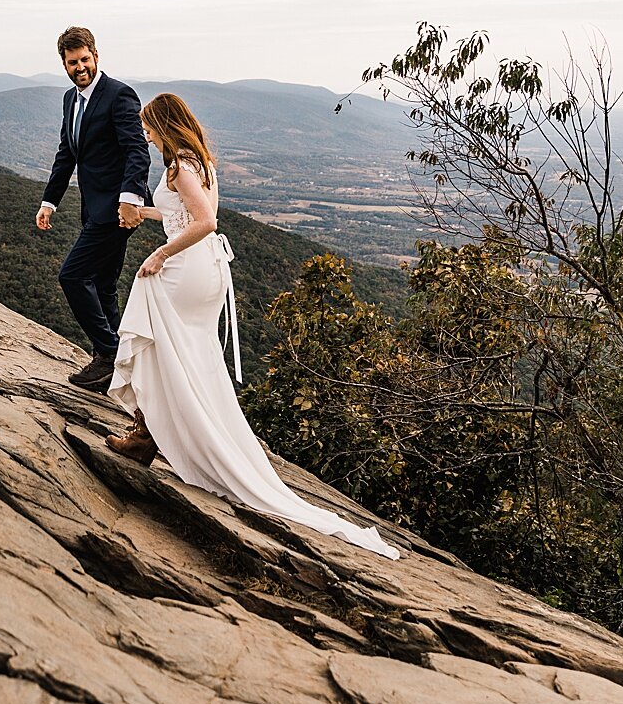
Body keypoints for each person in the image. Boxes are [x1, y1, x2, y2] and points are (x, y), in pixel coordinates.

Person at [106, 93, 401, 561]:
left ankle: (148, 436)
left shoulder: (180, 166)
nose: (144, 132)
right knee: (189, 355)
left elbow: (205, 220)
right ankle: (154, 433)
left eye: (148, 125)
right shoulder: (196, 161)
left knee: (156, 333)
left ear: (164, 124)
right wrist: (146, 215)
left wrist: (160, 253)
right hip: (206, 270)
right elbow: (182, 213)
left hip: (188, 265)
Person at [35, 27, 153, 393]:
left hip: (118, 208)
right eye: (73, 62)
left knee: (72, 276)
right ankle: (115, 370)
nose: (80, 67)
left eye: (85, 59)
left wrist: (129, 199)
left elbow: (137, 150)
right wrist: (49, 201)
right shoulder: (71, 100)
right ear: (64, 65)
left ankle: (108, 352)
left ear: (96, 55)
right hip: (93, 206)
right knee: (103, 284)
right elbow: (67, 153)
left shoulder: (119, 95)